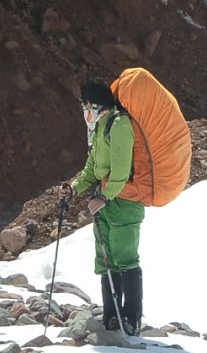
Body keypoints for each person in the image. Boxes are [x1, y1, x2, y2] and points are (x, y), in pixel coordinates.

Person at [59, 80, 144, 336]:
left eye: (85, 104)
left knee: (125, 259)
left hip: (124, 202)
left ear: (95, 105)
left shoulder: (119, 125)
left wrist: (104, 197)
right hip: (105, 203)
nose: (84, 109)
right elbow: (92, 169)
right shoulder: (101, 127)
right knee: (106, 258)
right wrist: (74, 188)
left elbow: (120, 171)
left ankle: (131, 318)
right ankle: (111, 315)